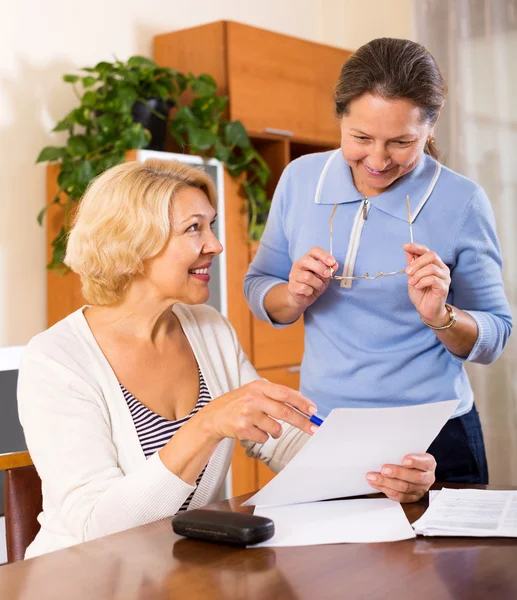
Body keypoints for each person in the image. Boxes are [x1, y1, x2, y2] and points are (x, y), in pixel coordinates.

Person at [18, 159, 436, 558]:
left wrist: (384, 473)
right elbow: (96, 527)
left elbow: (280, 437)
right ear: (133, 241)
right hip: (83, 579)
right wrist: (205, 426)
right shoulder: (56, 361)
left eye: (211, 226)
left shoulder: (208, 328)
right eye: (193, 228)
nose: (215, 245)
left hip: (181, 570)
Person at [244, 37, 512, 489]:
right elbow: (259, 286)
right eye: (361, 138)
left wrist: (441, 317)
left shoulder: (462, 201)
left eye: (401, 142)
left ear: (430, 128)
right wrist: (291, 296)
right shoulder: (300, 179)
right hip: (323, 430)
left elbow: (496, 334)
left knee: (443, 562)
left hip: (435, 436)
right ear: (340, 117)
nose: (378, 160)